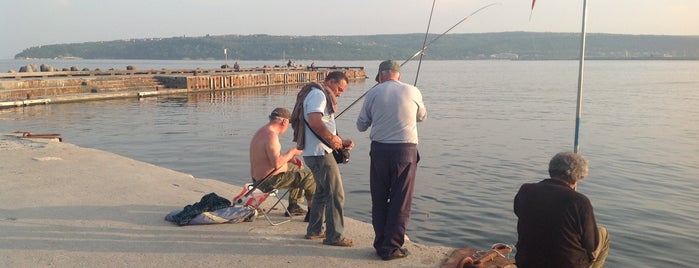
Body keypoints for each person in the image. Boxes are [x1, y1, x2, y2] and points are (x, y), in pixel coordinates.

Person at [356, 60, 427, 260]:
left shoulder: (372, 93)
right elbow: (422, 117)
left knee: (379, 199)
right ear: (399, 75)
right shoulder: (413, 90)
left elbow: (361, 125)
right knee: (400, 201)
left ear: (380, 75)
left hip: (379, 151)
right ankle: (392, 248)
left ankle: (380, 244)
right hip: (405, 151)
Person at [290, 71, 355, 247]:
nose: (340, 93)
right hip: (320, 153)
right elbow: (315, 121)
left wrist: (339, 141)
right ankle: (334, 236)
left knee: (322, 192)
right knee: (336, 193)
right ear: (331, 82)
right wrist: (332, 139)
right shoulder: (318, 94)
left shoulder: (316, 93)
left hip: (316, 151)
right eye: (339, 88)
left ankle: (314, 230)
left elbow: (323, 125)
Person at [514, 152, 610, 268]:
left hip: (527, 263)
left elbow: (518, 212)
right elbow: (591, 245)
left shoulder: (526, 190)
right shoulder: (579, 201)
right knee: (603, 234)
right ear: (576, 179)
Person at [249, 107, 315, 221]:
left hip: (258, 179)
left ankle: (293, 206)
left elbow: (268, 158)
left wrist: (290, 159)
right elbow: (277, 164)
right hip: (267, 182)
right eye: (289, 123)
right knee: (310, 176)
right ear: (284, 122)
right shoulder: (271, 136)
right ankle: (313, 213)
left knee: (297, 168)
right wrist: (292, 152)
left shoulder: (262, 131)